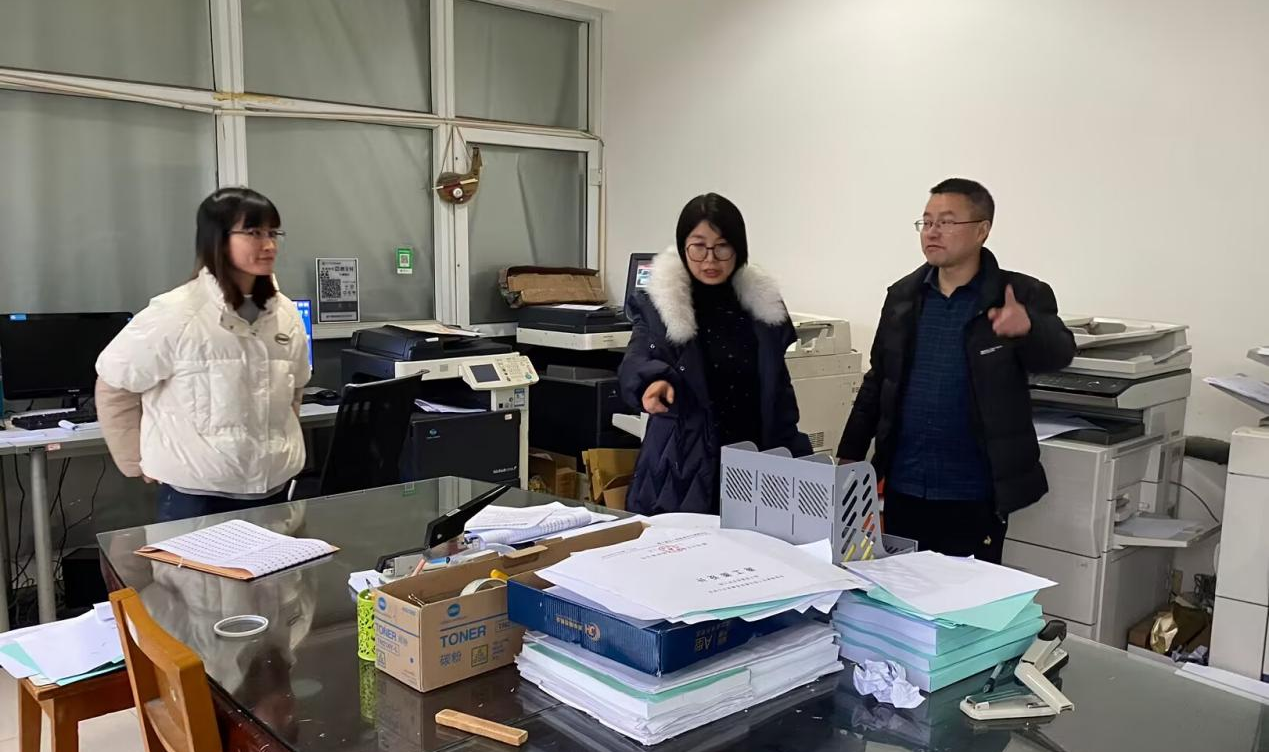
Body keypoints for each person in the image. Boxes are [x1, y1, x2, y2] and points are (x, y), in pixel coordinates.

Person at [836, 178, 1075, 563]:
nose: (932, 232)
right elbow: (879, 379)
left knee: (969, 596)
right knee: (900, 589)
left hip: (974, 492)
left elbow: (1059, 354)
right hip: (904, 486)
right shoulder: (903, 296)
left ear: (982, 230)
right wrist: (850, 454)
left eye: (946, 222)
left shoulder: (1019, 294)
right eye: (926, 221)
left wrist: (1028, 328)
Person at [95, 187, 311, 522]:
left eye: (273, 233)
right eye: (254, 233)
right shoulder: (176, 313)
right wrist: (135, 461)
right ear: (218, 240)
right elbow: (114, 385)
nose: (269, 244)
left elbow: (295, 388)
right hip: (196, 496)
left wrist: (280, 448)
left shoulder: (285, 314)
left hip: (273, 490)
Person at [619, 193, 811, 515]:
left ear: (739, 248)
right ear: (683, 247)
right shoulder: (661, 305)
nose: (710, 260)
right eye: (698, 247)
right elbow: (636, 358)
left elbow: (779, 391)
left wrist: (796, 456)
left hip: (755, 459)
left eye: (722, 247)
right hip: (684, 466)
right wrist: (651, 381)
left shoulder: (761, 308)